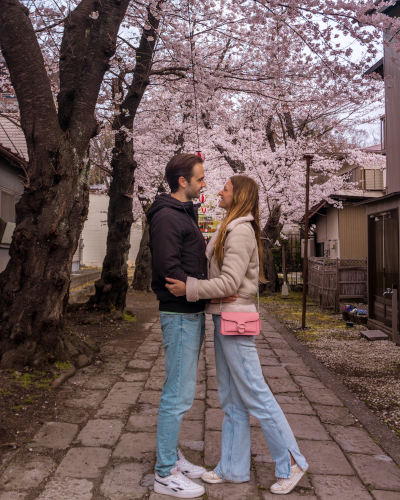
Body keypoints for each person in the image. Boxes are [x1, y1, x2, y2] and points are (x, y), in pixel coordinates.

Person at [166, 175, 309, 495]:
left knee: (257, 395)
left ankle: (292, 461)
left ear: (239, 195)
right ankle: (233, 467)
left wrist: (189, 288)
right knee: (231, 397)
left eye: (226, 188)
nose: (219, 190)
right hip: (222, 317)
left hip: (234, 321)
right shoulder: (231, 227)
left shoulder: (241, 230)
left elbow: (230, 283)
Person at [147, 154, 237, 499]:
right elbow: (169, 270)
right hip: (179, 314)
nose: (204, 185)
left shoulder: (184, 212)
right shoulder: (168, 217)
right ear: (182, 181)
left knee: (182, 389)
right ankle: (165, 472)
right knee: (178, 393)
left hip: (189, 312)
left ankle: (171, 455)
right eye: (199, 179)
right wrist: (198, 290)